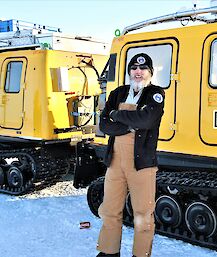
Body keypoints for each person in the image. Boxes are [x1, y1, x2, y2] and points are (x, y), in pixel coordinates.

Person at [96, 53, 165, 257]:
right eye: (134, 68)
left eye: (143, 68)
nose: (138, 71)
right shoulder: (118, 93)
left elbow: (146, 120)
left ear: (150, 73)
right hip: (115, 161)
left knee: (143, 214)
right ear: (129, 72)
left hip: (141, 163)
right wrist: (130, 124)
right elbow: (105, 125)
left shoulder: (155, 93)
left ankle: (141, 254)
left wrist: (117, 115)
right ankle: (109, 252)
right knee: (110, 210)